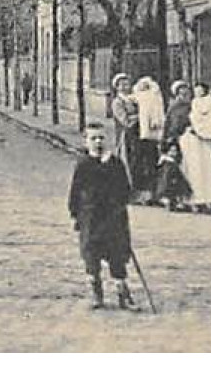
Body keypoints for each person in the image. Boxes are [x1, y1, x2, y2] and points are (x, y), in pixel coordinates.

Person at [68, 122, 139, 311]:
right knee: (91, 255)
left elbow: (126, 189)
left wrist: (119, 205)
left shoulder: (115, 164)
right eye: (93, 138)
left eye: (101, 138)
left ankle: (124, 294)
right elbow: (74, 192)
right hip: (91, 218)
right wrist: (76, 215)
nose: (98, 142)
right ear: (86, 141)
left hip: (113, 218)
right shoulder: (83, 165)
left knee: (117, 255)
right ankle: (96, 293)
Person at [181, 82, 211, 214]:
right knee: (194, 167)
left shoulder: (210, 104)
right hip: (192, 140)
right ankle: (196, 197)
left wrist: (206, 130)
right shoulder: (193, 103)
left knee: (206, 167)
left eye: (200, 91)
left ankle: (209, 197)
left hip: (204, 140)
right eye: (196, 91)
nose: (198, 93)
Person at [152, 80, 194, 211]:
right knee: (174, 169)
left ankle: (184, 198)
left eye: (187, 92)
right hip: (175, 141)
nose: (185, 95)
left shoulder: (193, 106)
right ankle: (173, 198)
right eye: (181, 93)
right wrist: (166, 142)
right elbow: (168, 125)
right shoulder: (174, 107)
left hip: (189, 141)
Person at [131, 77, 166, 203]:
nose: (144, 87)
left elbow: (158, 112)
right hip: (139, 132)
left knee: (151, 161)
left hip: (151, 132)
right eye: (142, 85)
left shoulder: (154, 97)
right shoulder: (138, 96)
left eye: (146, 85)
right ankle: (140, 191)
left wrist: (156, 121)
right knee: (139, 161)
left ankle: (152, 191)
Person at [108, 73, 139, 189]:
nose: (125, 87)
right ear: (117, 87)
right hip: (125, 134)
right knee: (128, 160)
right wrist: (140, 116)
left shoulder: (134, 99)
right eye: (122, 85)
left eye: (127, 84)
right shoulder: (117, 102)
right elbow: (125, 120)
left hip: (137, 133)